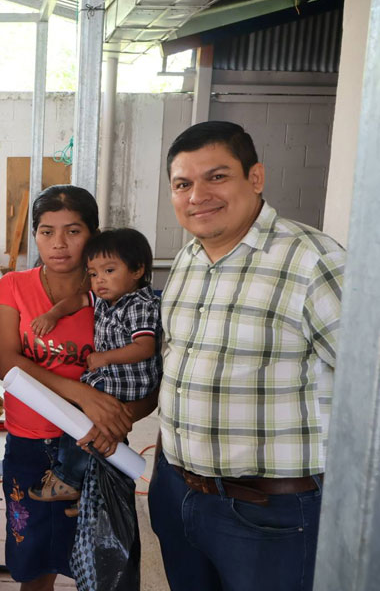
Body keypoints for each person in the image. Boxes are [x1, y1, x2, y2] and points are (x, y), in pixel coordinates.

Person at [148, 121, 346, 591]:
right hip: (179, 495)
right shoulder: (188, 259)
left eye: (216, 177)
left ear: (255, 178)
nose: (198, 196)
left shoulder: (313, 261)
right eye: (183, 184)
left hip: (270, 515)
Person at [0, 187, 156, 590]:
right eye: (47, 232)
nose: (59, 243)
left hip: (96, 445)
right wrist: (83, 394)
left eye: (73, 231)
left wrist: (118, 420)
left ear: (93, 234)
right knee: (34, 568)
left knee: (101, 567)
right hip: (29, 445)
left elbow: (150, 378)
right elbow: (9, 363)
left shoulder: (116, 296)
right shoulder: (13, 285)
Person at [28, 228, 161, 518]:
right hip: (109, 378)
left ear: (137, 270)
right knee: (105, 439)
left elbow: (145, 347)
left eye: (109, 271)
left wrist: (104, 357)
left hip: (127, 382)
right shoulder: (105, 297)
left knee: (82, 421)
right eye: (93, 273)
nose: (99, 280)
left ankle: (68, 478)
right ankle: (93, 494)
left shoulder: (139, 304)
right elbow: (77, 300)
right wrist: (53, 314)